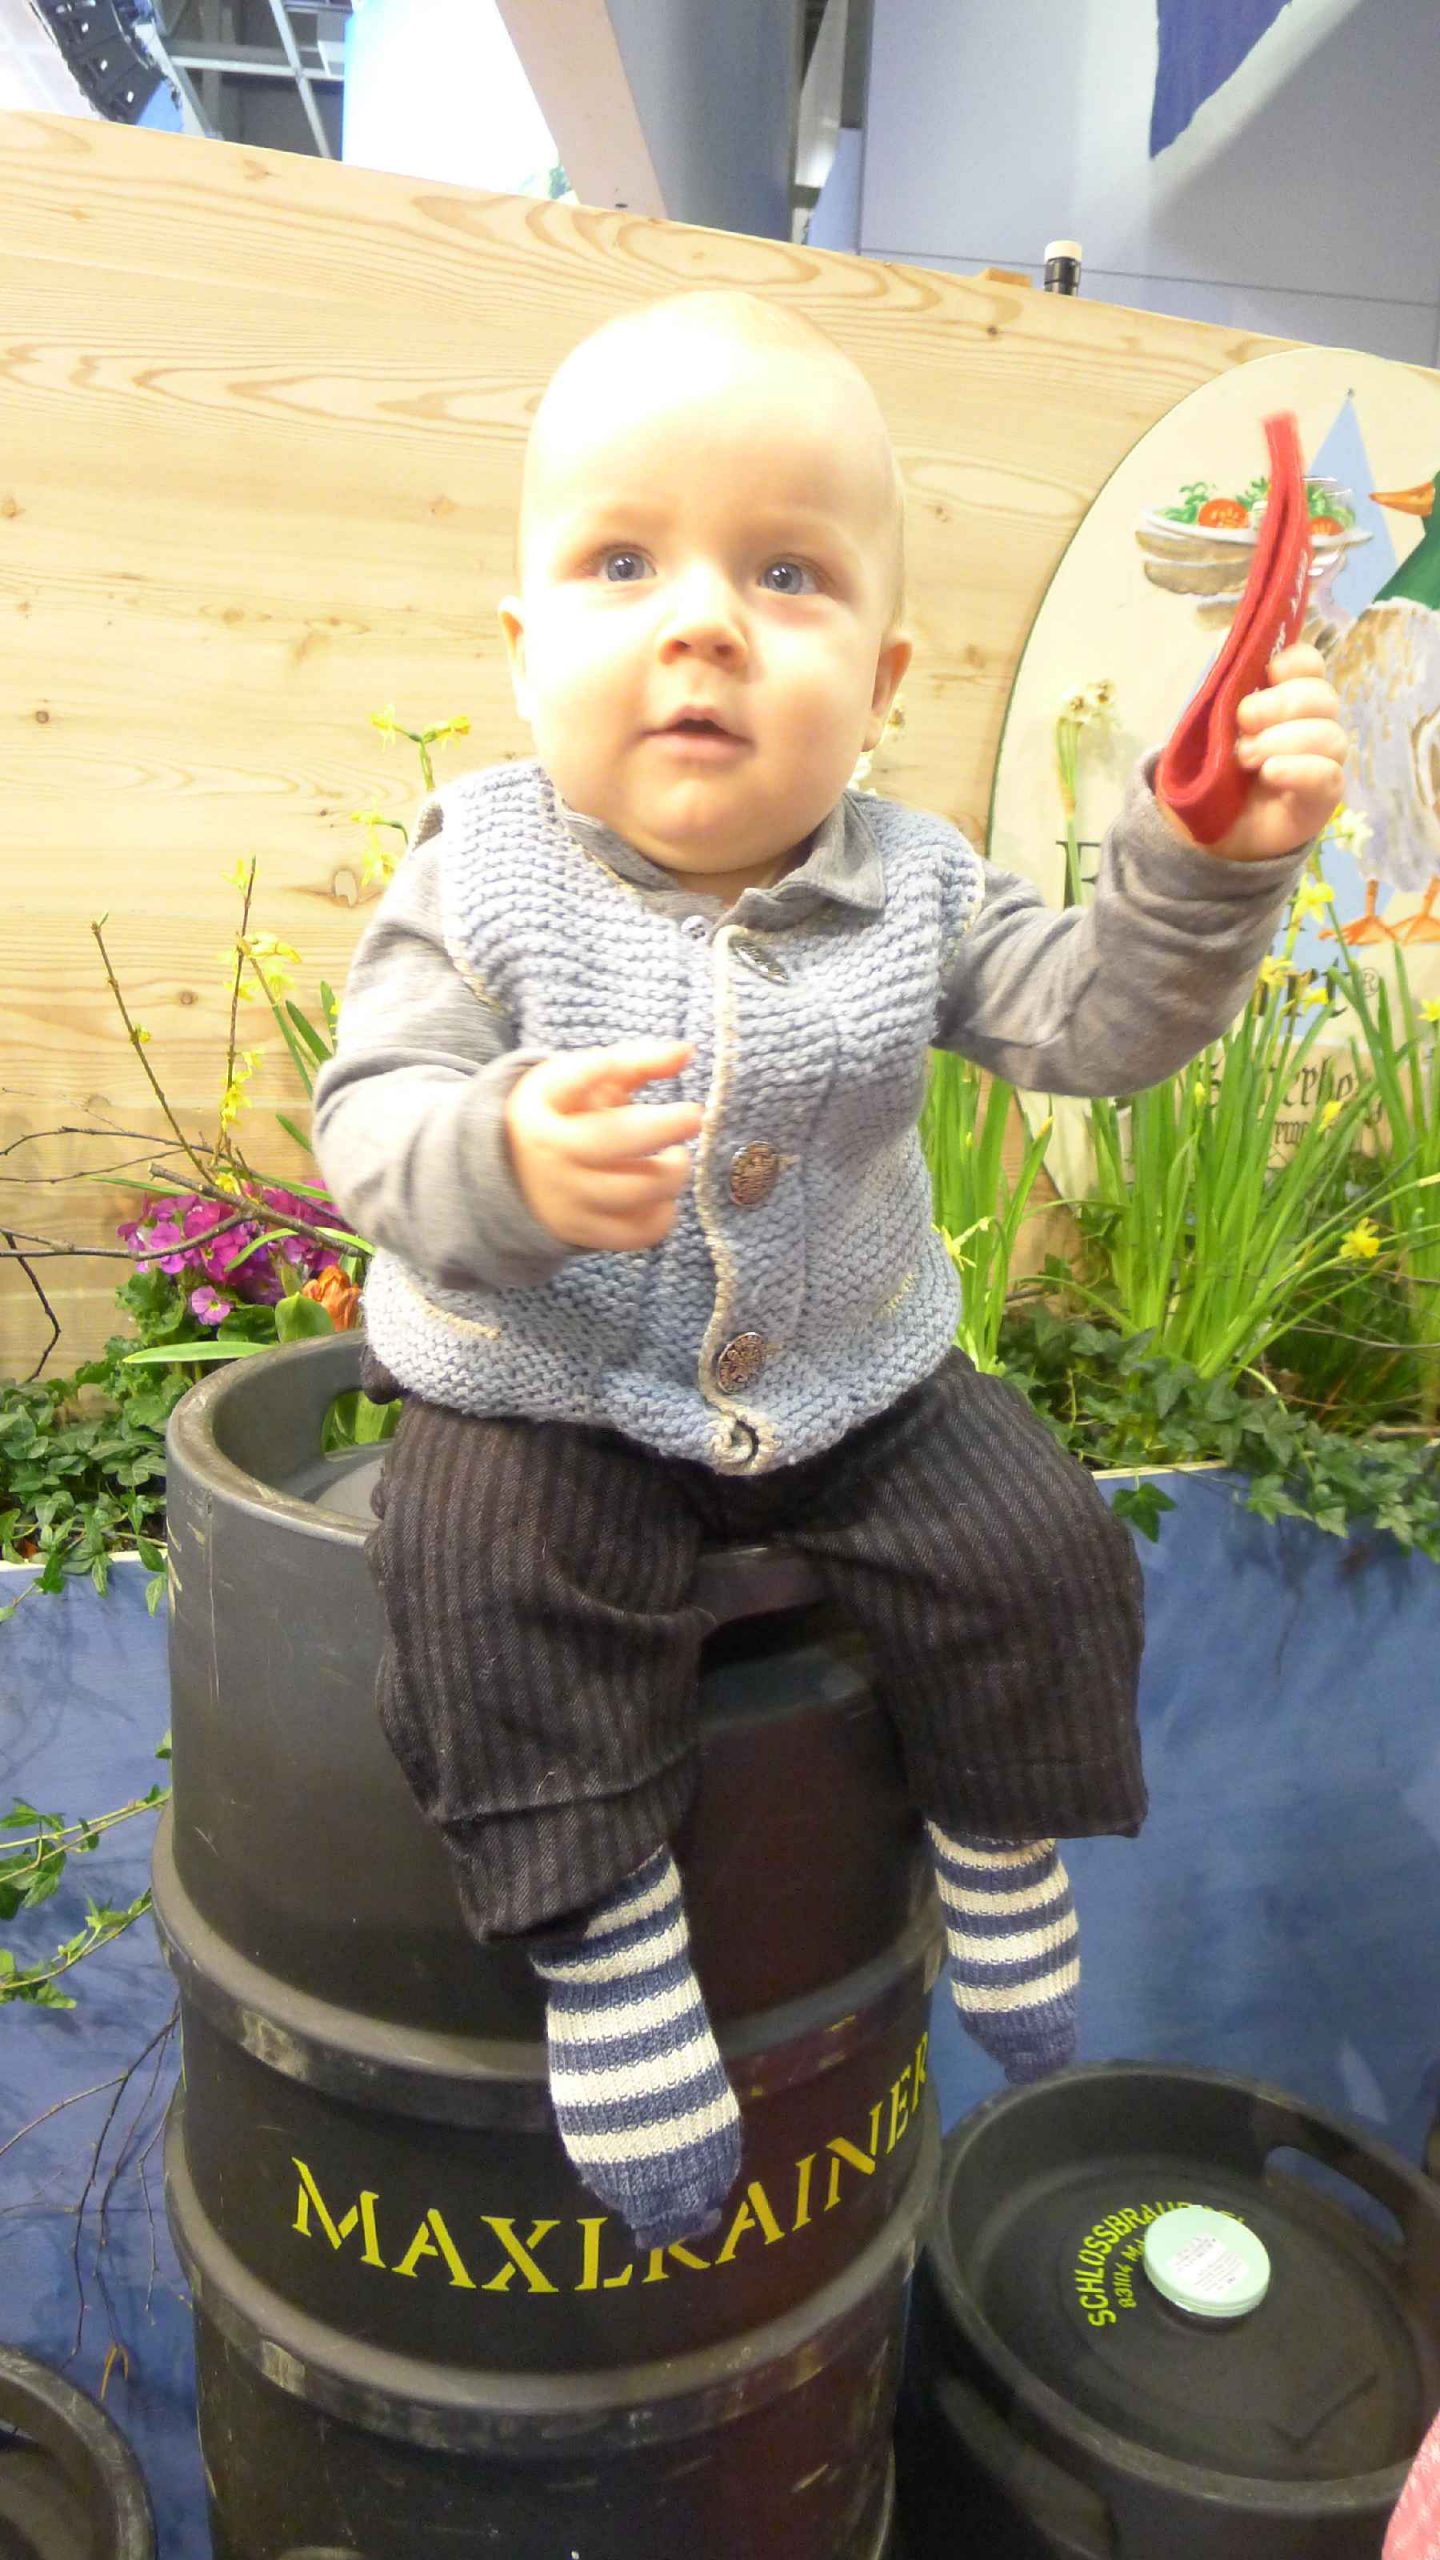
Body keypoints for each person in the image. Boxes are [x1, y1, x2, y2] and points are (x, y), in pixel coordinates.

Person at [312, 289, 1348, 2254]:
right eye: (625, 564)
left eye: (785, 574)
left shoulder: (917, 880)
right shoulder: (481, 868)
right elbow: (370, 1118)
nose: (703, 623)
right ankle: (608, 1935)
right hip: (545, 1388)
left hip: (854, 1374)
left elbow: (1096, 1024)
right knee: (477, 1588)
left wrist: (1205, 864)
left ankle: (997, 1824)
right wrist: (502, 1160)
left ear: (879, 684)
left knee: (1038, 1538)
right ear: (525, 650)